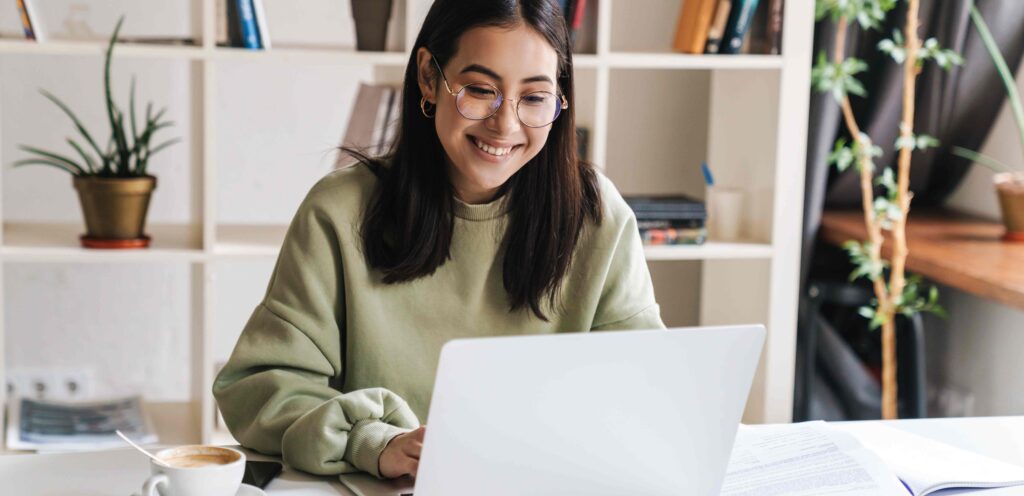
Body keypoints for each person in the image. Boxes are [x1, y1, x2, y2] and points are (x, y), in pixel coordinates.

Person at [213, 0, 664, 481]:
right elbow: (260, 387)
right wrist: (373, 441)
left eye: (534, 98)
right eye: (480, 90)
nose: (505, 125)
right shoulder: (339, 211)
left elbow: (646, 391)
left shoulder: (598, 216)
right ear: (429, 77)